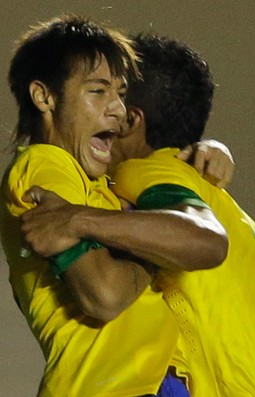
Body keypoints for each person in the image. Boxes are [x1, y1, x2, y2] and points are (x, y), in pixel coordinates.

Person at [22, 33, 255, 396]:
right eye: (99, 93)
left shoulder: (142, 172)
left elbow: (206, 240)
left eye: (117, 96)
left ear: (133, 120)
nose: (111, 110)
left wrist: (78, 218)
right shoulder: (201, 181)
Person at [0, 15, 233, 397]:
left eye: (121, 93)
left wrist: (213, 149)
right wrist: (159, 249)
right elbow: (105, 295)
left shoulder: (97, 185)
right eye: (98, 91)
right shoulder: (43, 166)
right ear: (44, 96)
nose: (119, 110)